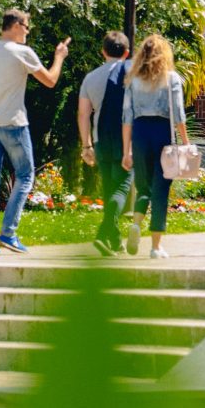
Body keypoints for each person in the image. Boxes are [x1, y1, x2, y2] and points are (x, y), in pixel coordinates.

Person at [0, 8, 67, 255]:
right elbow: (50, 80)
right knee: (25, 176)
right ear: (15, 25)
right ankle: (8, 233)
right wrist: (59, 56)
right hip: (14, 125)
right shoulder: (23, 52)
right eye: (26, 27)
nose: (28, 31)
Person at [125, 34, 189, 259]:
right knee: (161, 189)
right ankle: (155, 246)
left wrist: (127, 150)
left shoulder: (133, 80)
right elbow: (179, 114)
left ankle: (136, 224)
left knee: (144, 187)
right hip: (162, 132)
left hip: (140, 132)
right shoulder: (171, 78)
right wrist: (186, 142)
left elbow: (127, 117)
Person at [79, 30, 136, 258]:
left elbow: (83, 114)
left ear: (102, 52)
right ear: (127, 52)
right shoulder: (133, 73)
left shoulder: (91, 78)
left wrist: (86, 145)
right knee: (121, 188)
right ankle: (103, 235)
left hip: (101, 140)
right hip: (126, 140)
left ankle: (114, 241)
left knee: (110, 188)